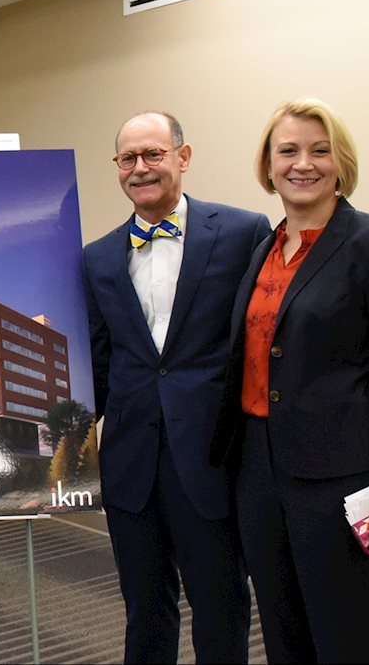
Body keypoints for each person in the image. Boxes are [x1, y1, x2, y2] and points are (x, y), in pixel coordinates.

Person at [212, 98, 369, 663]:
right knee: (286, 640)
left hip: (340, 477)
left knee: (348, 643)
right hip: (259, 472)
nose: (302, 163)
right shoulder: (265, 248)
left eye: (320, 151)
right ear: (267, 165)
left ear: (342, 163)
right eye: (287, 150)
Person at [82, 111, 270, 663]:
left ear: (182, 158)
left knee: (221, 605)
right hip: (130, 461)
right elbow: (98, 362)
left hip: (210, 457)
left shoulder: (242, 232)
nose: (140, 169)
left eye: (154, 155)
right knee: (144, 609)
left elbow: (270, 332)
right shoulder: (96, 258)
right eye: (128, 159)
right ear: (117, 168)